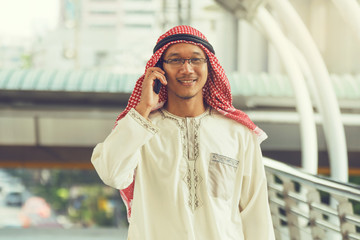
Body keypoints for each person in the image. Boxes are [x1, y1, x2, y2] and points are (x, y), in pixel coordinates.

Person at [91, 25, 275, 240]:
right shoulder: (140, 129)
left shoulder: (238, 133)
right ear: (159, 69)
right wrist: (143, 108)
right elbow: (112, 174)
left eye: (196, 59)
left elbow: (256, 213)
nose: (187, 69)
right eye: (176, 60)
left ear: (209, 68)